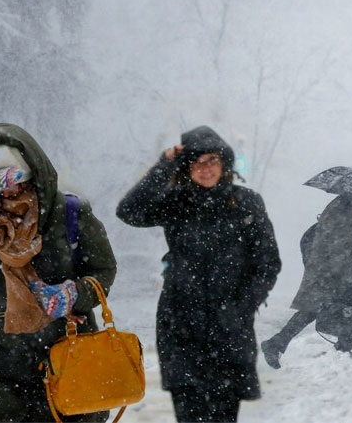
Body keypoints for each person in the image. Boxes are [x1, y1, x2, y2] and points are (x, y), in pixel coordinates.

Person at [0, 123, 117, 422]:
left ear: (32, 172)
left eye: (14, 176)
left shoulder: (69, 211)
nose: (7, 189)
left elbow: (103, 270)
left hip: (69, 352)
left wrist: (72, 295)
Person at [116, 125, 281, 422]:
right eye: (197, 162)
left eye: (212, 160)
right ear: (186, 167)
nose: (205, 169)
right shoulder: (176, 203)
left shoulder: (247, 203)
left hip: (230, 331)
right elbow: (129, 211)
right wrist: (165, 164)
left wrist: (242, 307)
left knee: (223, 415)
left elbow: (268, 262)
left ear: (224, 162)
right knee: (189, 412)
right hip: (181, 326)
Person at [261, 195, 352, 369]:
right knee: (340, 309)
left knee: (331, 309)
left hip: (333, 270)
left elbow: (337, 242)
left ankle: (277, 344)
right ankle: (342, 352)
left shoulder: (346, 208)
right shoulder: (341, 209)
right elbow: (333, 243)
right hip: (329, 272)